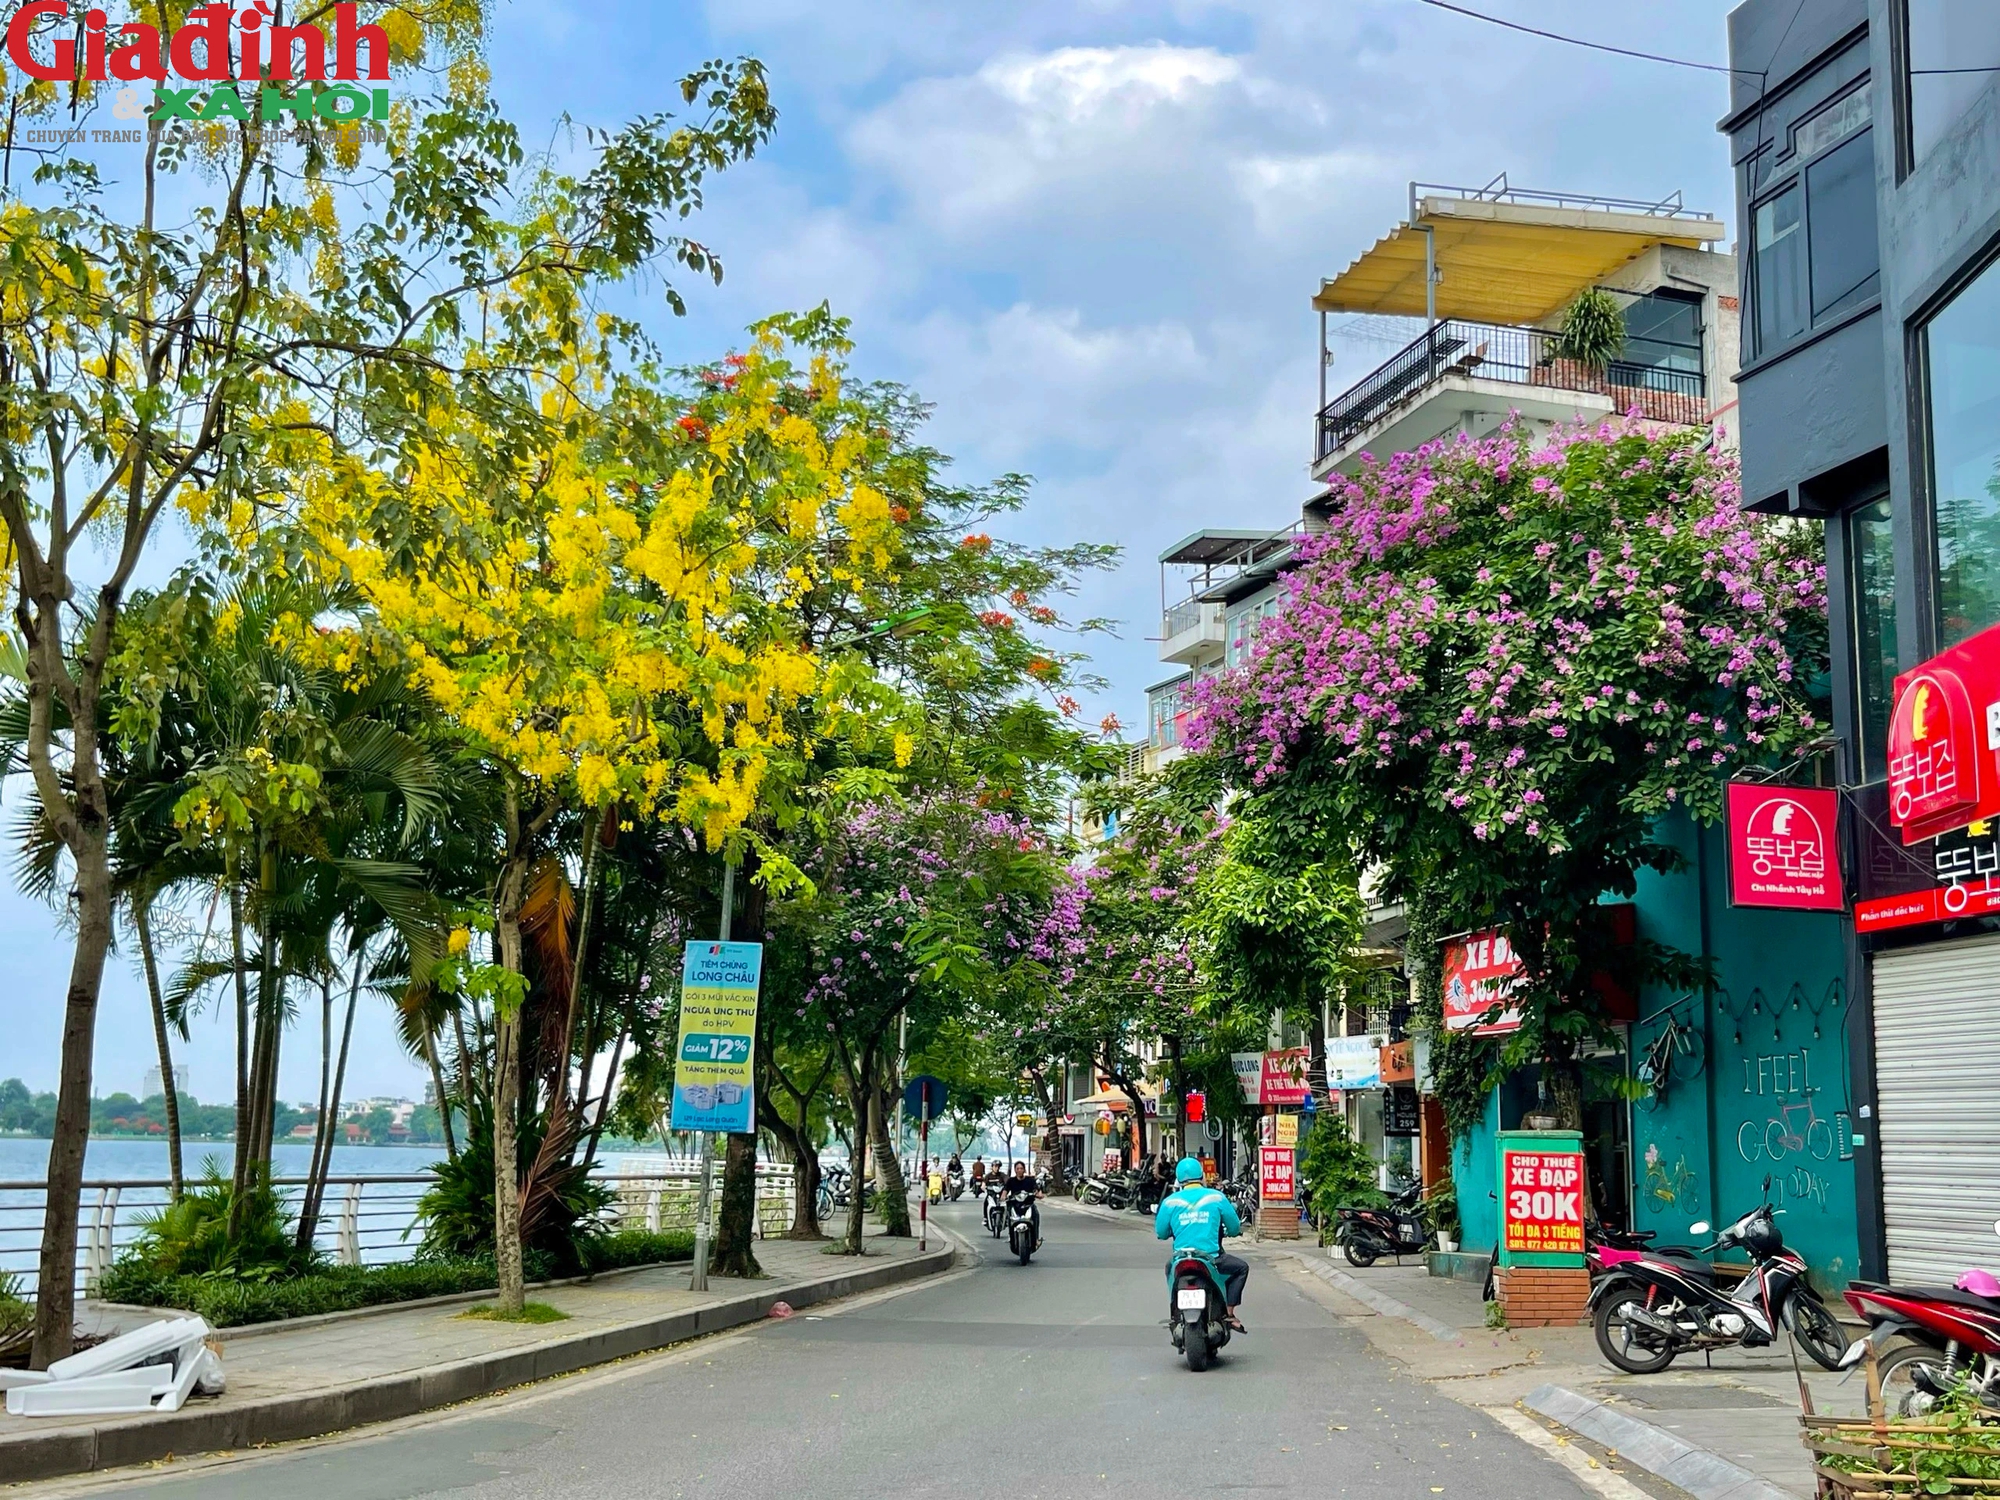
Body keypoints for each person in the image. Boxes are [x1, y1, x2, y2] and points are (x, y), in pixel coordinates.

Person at [1154, 1155, 1247, 1331]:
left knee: (1168, 1268)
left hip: (1181, 1259)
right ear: (1202, 1175)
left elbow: (1161, 1233)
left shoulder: (1170, 1202)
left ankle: (1175, 1309)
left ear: (1179, 1179)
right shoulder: (1216, 1197)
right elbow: (1234, 1227)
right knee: (1241, 1268)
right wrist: (1233, 1232)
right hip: (1212, 1259)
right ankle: (1229, 1312)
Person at [1005, 1157, 1041, 1246]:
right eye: (1017, 1169)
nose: (1019, 1170)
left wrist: (1038, 1194)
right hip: (1015, 1205)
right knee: (1008, 1215)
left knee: (1036, 1215)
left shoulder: (1030, 1180)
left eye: (1021, 1168)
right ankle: (1011, 1236)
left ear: (1024, 1170)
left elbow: (1037, 1190)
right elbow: (1005, 1191)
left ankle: (1035, 1238)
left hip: (1028, 1205)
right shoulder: (1011, 1181)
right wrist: (1003, 1197)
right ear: (1015, 1170)